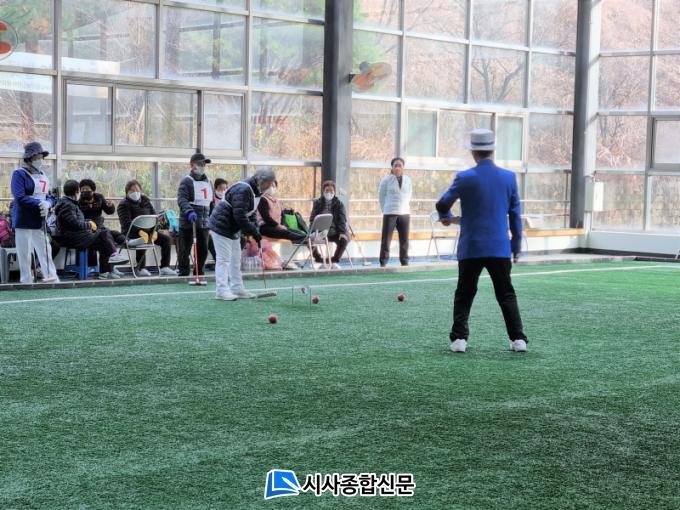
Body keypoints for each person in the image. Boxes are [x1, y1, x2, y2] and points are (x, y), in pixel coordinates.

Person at [435, 129, 527, 354]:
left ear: (473, 152)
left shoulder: (464, 177)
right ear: (492, 151)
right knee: (506, 294)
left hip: (471, 246)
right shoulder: (509, 177)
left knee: (465, 293)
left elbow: (442, 204)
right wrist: (516, 246)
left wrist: (446, 217)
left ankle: (459, 339)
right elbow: (515, 215)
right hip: (499, 246)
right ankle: (518, 339)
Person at [208, 167, 276, 301]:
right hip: (221, 225)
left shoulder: (257, 191)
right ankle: (221, 290)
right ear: (260, 180)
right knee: (223, 259)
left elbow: (251, 213)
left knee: (235, 259)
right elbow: (240, 216)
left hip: (233, 228)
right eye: (268, 184)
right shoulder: (244, 189)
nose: (269, 187)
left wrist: (256, 229)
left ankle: (237, 288)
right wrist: (253, 231)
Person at [54, 180, 126, 280]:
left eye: (86, 189)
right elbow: (74, 223)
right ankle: (111, 261)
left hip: (80, 234)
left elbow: (76, 221)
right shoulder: (68, 205)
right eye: (81, 190)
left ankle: (107, 270)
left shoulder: (71, 203)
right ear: (76, 191)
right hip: (75, 238)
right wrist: (89, 224)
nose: (82, 192)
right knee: (104, 235)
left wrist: (89, 222)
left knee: (106, 237)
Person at [10, 142, 59, 283]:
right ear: (29, 158)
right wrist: (39, 203)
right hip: (24, 219)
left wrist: (49, 203)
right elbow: (19, 197)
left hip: (40, 218)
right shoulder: (19, 174)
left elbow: (50, 195)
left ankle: (51, 277)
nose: (40, 159)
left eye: (41, 157)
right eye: (37, 157)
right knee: (24, 252)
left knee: (45, 249)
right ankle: (26, 279)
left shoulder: (43, 175)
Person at [117, 180, 177, 277]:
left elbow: (154, 216)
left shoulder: (145, 200)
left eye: (137, 190)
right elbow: (126, 223)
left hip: (149, 232)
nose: (135, 192)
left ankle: (165, 267)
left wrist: (155, 230)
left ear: (141, 190)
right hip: (131, 233)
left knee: (166, 239)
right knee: (142, 239)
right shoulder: (123, 204)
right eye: (132, 190)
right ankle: (140, 268)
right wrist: (140, 231)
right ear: (127, 192)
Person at [177, 152, 213, 277]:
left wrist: (212, 218)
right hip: (189, 222)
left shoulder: (209, 182)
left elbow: (211, 202)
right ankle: (183, 272)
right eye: (200, 164)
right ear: (192, 165)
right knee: (184, 250)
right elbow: (182, 199)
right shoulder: (186, 181)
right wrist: (189, 211)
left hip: (204, 222)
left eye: (204, 164)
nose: (202, 166)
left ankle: (199, 272)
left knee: (203, 250)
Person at [78, 179, 125, 275]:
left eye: (87, 189)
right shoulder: (79, 202)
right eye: (82, 189)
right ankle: (111, 264)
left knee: (114, 233)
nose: (84, 191)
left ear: (92, 190)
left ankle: (128, 242)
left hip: (99, 226)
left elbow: (109, 211)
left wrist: (110, 206)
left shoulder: (99, 198)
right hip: (89, 229)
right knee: (106, 237)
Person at [378, 157, 412, 267]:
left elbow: (409, 194)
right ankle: (383, 262)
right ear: (392, 167)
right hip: (389, 212)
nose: (397, 167)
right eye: (395, 165)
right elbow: (381, 196)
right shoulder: (386, 180)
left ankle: (404, 261)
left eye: (400, 165)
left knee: (404, 239)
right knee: (386, 240)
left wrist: (404, 206)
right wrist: (385, 210)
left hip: (404, 213)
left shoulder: (408, 180)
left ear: (403, 167)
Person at [309, 180, 349, 269]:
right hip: (321, 231)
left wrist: (342, 232)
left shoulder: (339, 204)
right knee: (308, 240)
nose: (329, 193)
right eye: (327, 191)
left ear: (334, 192)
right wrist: (312, 231)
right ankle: (319, 260)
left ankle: (334, 261)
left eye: (331, 191)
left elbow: (342, 220)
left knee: (344, 239)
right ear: (323, 191)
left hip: (335, 232)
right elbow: (312, 218)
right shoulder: (318, 203)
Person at [208, 178, 229, 265]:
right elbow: (208, 216)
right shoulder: (211, 201)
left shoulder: (228, 200)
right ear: (216, 188)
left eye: (225, 189)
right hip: (213, 228)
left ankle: (229, 261)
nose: (223, 191)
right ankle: (218, 261)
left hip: (225, 228)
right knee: (210, 239)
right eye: (221, 189)